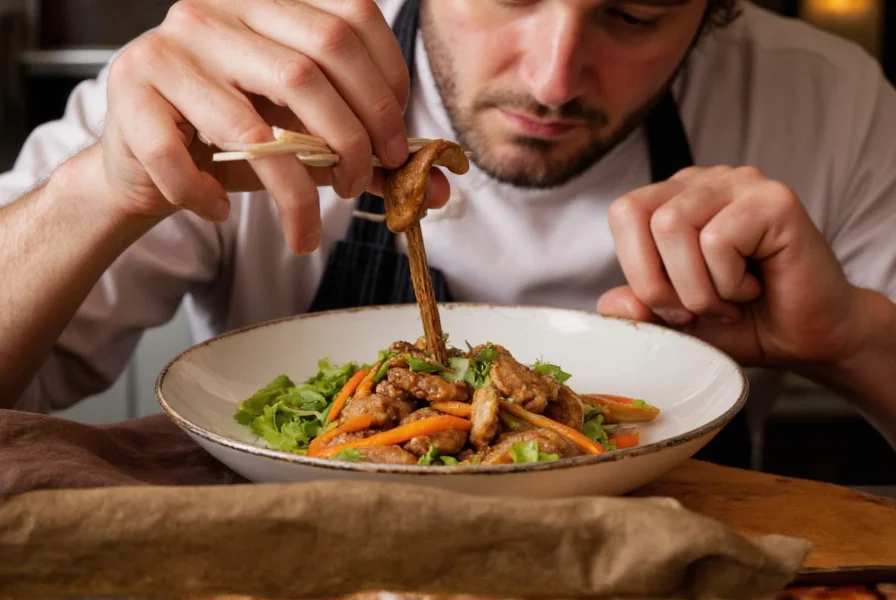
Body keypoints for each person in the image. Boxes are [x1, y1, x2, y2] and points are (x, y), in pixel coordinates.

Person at [1, 0, 894, 461]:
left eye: (634, 15)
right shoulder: (252, 62)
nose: (552, 79)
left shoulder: (828, 103)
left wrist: (852, 340)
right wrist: (102, 190)